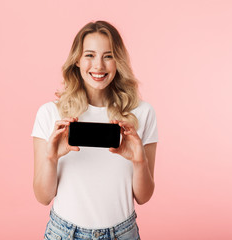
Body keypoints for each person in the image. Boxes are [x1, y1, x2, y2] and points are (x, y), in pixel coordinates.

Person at [31, 20, 158, 240]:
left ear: (118, 61)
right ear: (77, 61)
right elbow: (43, 197)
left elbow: (143, 197)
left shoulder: (142, 113)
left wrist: (139, 161)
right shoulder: (50, 114)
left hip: (123, 234)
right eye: (89, 55)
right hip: (64, 234)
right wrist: (51, 157)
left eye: (108, 56)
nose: (98, 65)